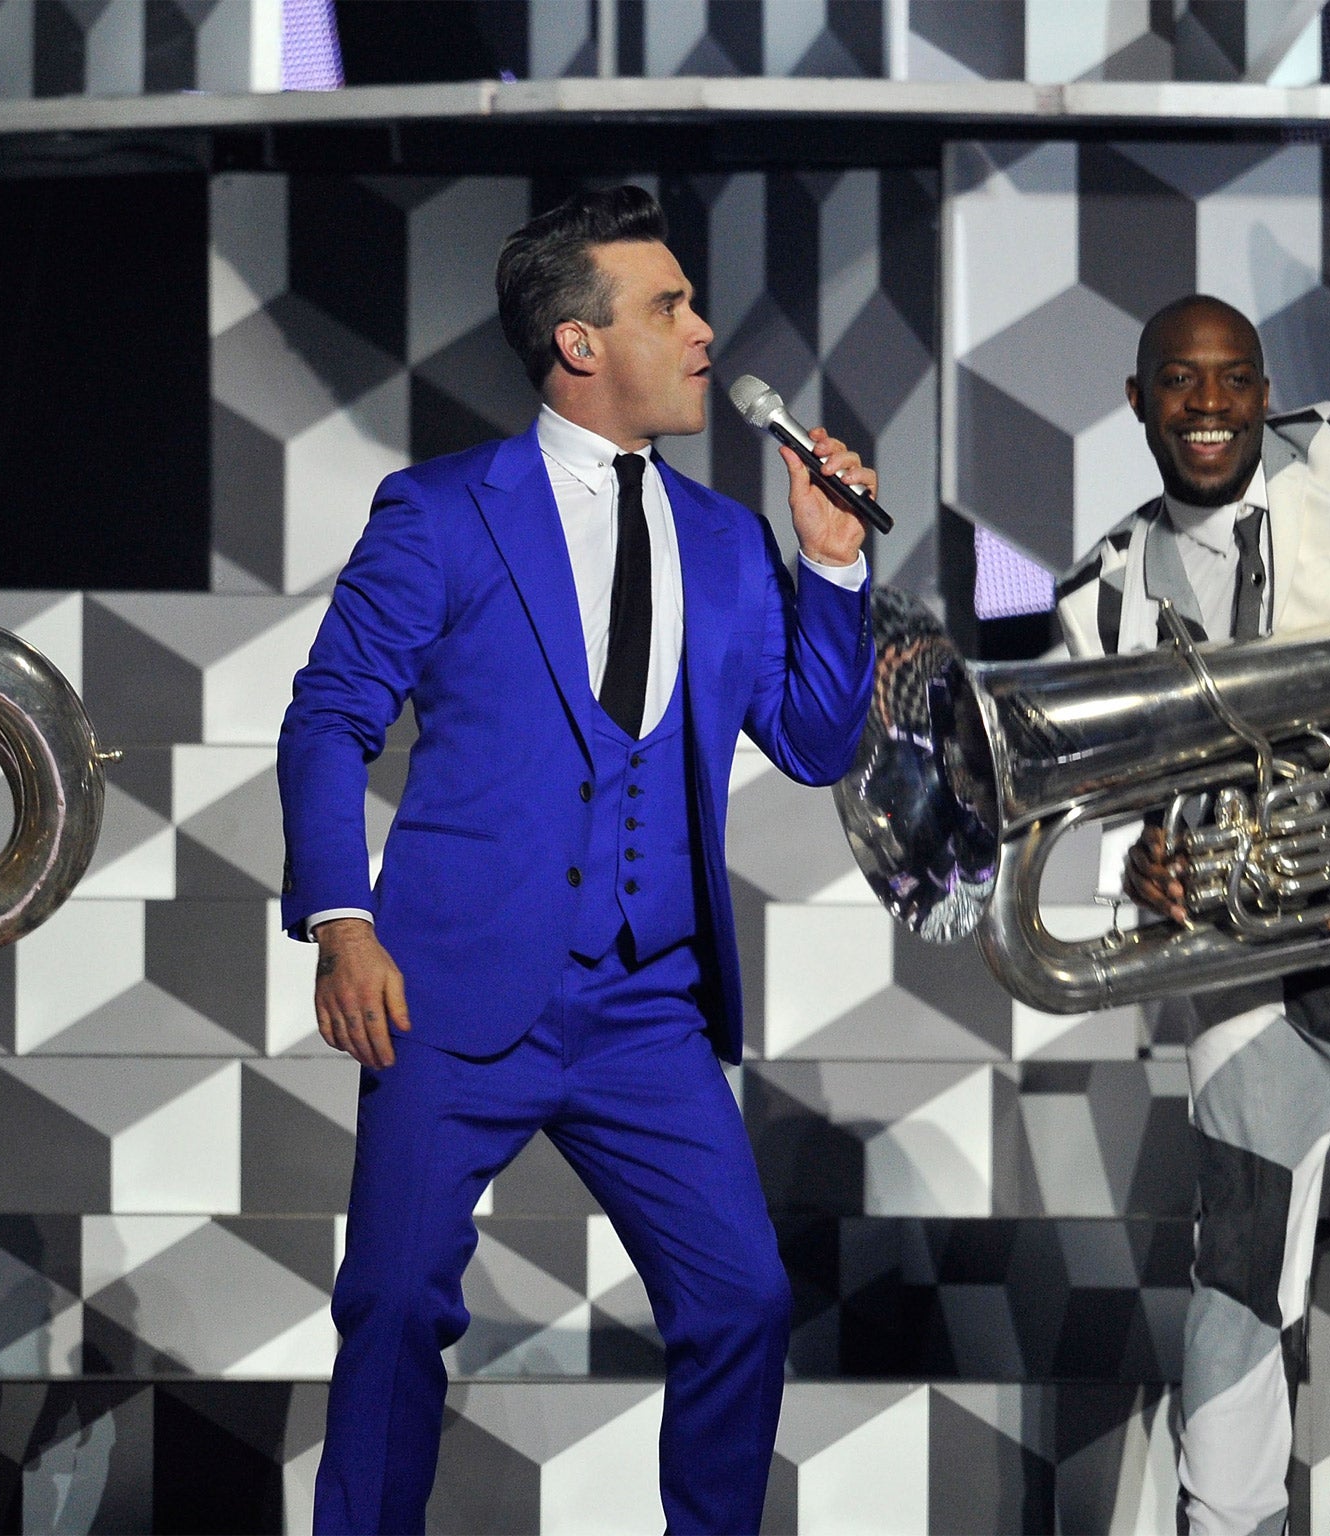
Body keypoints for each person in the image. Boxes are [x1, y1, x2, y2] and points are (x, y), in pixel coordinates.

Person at [278, 186, 876, 1534]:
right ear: (580, 343)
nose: (706, 330)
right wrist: (341, 922)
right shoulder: (442, 512)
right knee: (392, 1307)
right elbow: (329, 717)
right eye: (668, 305)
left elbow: (815, 740)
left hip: (644, 1004)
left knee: (741, 1300)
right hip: (448, 988)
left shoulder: (727, 542)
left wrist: (829, 568)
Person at [1054, 294, 1330, 1536]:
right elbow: (1120, 811)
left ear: (1265, 385)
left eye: (1231, 378)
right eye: (1179, 381)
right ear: (1137, 400)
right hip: (1247, 967)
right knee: (1237, 1277)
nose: (1210, 404)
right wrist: (1138, 868)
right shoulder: (1097, 594)